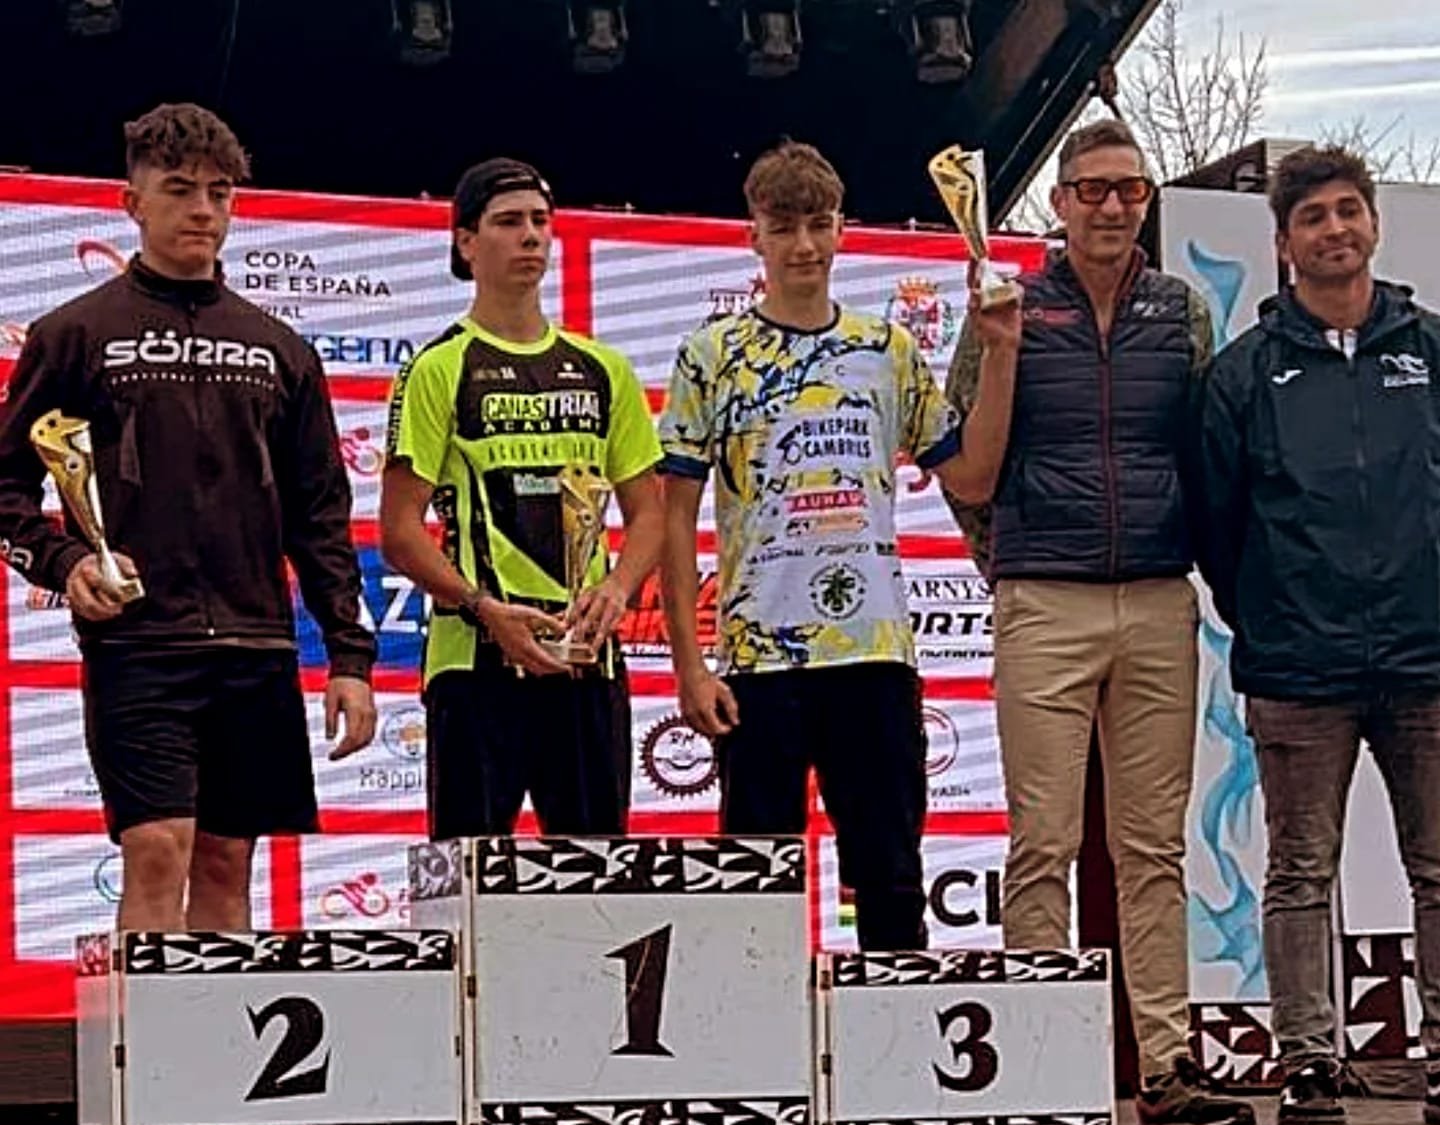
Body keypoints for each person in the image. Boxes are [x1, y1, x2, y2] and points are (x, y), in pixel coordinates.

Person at [944, 117, 1254, 1125]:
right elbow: (967, 470)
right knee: (1042, 841)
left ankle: (1166, 1063)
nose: (1113, 206)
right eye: (1093, 189)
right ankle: (1044, 1070)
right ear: (1060, 203)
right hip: (1045, 597)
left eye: (1129, 189)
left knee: (1153, 847)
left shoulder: (1182, 311)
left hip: (1159, 598)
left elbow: (1206, 456)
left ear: (1146, 201)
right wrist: (1008, 564)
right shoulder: (1009, 303)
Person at [0, 102, 376, 932]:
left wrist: (349, 655)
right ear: (132, 203)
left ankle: (216, 1024)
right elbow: (6, 485)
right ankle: (146, 1023)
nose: (203, 210)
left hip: (256, 644)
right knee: (157, 847)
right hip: (139, 643)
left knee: (225, 860)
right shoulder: (74, 334)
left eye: (219, 193)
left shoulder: (281, 348)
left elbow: (321, 513)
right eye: (179, 190)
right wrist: (66, 564)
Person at [658, 140, 1019, 952]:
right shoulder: (712, 356)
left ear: (842, 229)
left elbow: (972, 476)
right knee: (755, 896)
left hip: (874, 656)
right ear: (754, 236)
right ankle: (762, 1031)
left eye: (818, 225)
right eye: (784, 227)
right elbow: (674, 515)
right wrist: (688, 664)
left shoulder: (886, 350)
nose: (804, 246)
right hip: (760, 661)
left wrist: (1001, 353)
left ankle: (884, 1035)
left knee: (889, 883)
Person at [1193, 145, 1440, 1125]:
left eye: (1348, 211)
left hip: (1427, 659)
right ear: (1283, 242)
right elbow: (1216, 524)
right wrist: (1272, 614)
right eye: (1313, 217)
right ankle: (1307, 1063)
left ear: (1374, 224)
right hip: (1298, 667)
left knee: (1438, 870)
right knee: (1299, 871)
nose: (1334, 229)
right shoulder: (1244, 373)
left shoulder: (1431, 351)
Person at [381, 158, 664, 840]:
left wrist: (618, 589)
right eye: (508, 222)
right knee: (469, 882)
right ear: (466, 242)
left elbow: (651, 512)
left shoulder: (604, 369)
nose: (530, 236)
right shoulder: (438, 369)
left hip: (585, 657)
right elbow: (398, 530)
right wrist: (482, 607)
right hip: (475, 659)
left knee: (598, 879)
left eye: (540, 221)